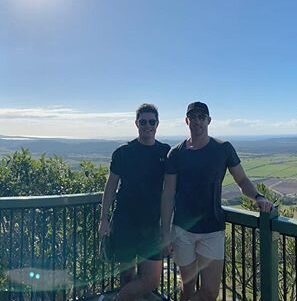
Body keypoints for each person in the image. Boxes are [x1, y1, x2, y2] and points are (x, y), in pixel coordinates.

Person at [161, 101, 273, 301]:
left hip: (212, 230)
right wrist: (166, 231)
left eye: (201, 117)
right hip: (182, 231)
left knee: (210, 292)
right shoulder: (176, 153)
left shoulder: (223, 149)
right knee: (188, 290)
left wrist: (258, 197)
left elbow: (242, 180)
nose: (197, 121)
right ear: (186, 121)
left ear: (209, 120)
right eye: (193, 117)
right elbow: (168, 194)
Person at [99, 104, 171, 301]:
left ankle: (117, 299)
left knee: (151, 280)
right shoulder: (123, 153)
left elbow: (171, 189)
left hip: (152, 225)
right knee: (127, 277)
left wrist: (167, 228)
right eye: (143, 122)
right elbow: (110, 187)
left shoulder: (165, 152)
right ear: (136, 124)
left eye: (151, 122)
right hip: (125, 223)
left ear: (157, 124)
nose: (147, 126)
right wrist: (103, 219)